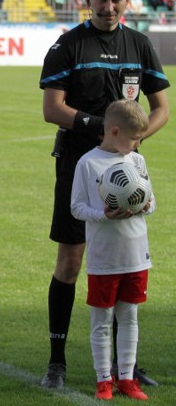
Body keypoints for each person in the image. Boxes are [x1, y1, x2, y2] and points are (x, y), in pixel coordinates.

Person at [39, 0, 169, 389]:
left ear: (126, 0)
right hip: (80, 167)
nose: (109, 6)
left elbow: (162, 107)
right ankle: (56, 361)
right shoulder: (69, 45)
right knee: (71, 262)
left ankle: (123, 367)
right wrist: (103, 129)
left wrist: (132, 140)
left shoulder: (140, 44)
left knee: (123, 264)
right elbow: (52, 108)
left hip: (126, 175)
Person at [70, 99, 155, 401]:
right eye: (134, 139)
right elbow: (77, 207)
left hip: (135, 256)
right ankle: (103, 379)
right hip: (104, 259)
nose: (136, 145)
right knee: (102, 321)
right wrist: (103, 215)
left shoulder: (137, 162)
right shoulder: (88, 163)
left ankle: (128, 378)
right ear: (115, 131)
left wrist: (143, 206)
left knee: (130, 317)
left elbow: (152, 202)